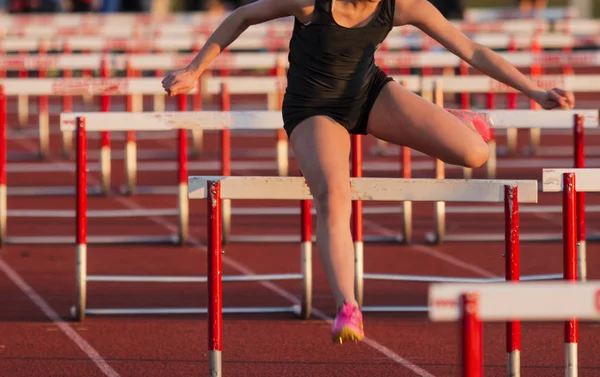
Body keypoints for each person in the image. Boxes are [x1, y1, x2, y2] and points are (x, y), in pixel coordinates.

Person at [161, 0, 575, 344]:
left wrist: (536, 91)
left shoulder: (402, 6)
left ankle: (452, 121)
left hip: (369, 94)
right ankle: (348, 305)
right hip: (313, 110)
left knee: (474, 153)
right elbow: (243, 15)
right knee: (333, 195)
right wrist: (195, 70)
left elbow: (471, 50)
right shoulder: (310, 3)